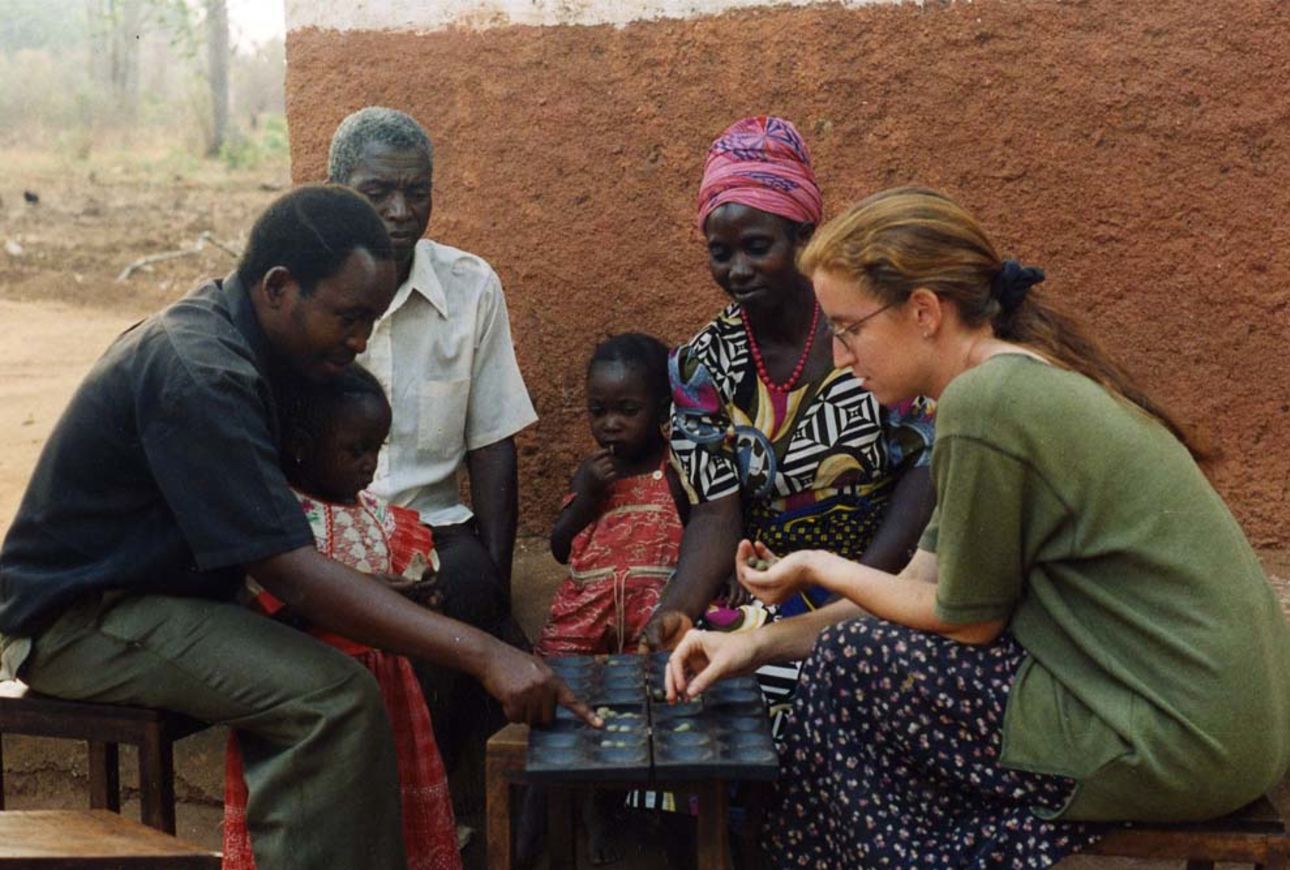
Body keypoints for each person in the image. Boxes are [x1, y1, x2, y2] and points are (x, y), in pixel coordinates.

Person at [666, 186, 1290, 868]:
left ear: (924, 312)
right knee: (855, 663)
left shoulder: (986, 401)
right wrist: (755, 647)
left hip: (1180, 740)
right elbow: (915, 591)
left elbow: (965, 622)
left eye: (848, 329)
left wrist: (815, 564)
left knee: (852, 673)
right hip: (1225, 732)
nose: (840, 358)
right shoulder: (1008, 385)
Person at [0, 185, 596, 870]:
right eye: (348, 318)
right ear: (279, 287)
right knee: (330, 701)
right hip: (73, 621)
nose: (360, 340)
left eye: (370, 321)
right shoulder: (202, 369)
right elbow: (289, 570)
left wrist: (385, 601)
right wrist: (486, 653)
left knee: (359, 663)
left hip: (161, 593)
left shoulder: (247, 338)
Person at [640, 116, 936, 723]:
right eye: (720, 253)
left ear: (804, 237)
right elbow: (715, 512)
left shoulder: (868, 331)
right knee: (689, 702)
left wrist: (862, 586)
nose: (737, 270)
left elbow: (926, 468)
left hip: (891, 577)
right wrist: (675, 610)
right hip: (769, 592)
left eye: (757, 247)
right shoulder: (702, 364)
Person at [328, 106, 537, 777]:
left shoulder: (471, 286)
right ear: (337, 193)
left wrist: (496, 586)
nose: (399, 211)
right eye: (376, 193)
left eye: (416, 192)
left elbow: (493, 444)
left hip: (437, 530)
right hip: (329, 533)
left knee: (465, 601)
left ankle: (440, 811)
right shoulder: (306, 288)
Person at [222, 365, 460, 870]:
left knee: (385, 815)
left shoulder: (383, 517)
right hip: (304, 694)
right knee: (313, 815)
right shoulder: (283, 522)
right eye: (356, 451)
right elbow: (266, 612)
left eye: (377, 449)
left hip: (388, 694)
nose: (370, 464)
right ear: (304, 444)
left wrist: (418, 600)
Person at [536, 333, 685, 658]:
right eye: (598, 411)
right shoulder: (590, 474)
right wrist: (587, 497)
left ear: (662, 411)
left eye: (628, 410)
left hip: (653, 610)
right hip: (587, 614)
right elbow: (560, 547)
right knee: (561, 679)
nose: (611, 424)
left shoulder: (676, 470)